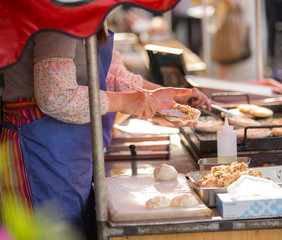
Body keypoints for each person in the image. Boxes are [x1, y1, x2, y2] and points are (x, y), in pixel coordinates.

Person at [0, 25, 211, 239]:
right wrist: (127, 100)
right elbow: (56, 96)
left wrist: (151, 97)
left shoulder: (83, 12)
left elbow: (95, 75)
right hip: (38, 150)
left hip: (66, 151)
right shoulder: (62, 9)